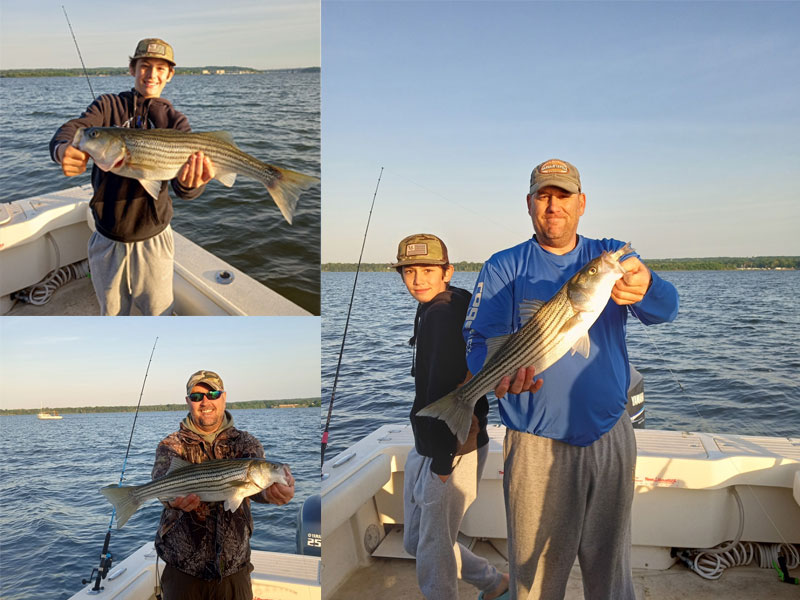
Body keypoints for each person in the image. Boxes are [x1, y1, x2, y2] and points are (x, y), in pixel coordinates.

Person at [464, 159, 679, 600]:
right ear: (529, 205)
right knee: (535, 576)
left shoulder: (610, 254)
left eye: (563, 196)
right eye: (544, 196)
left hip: (609, 429)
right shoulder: (504, 266)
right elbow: (477, 343)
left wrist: (647, 283)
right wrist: (489, 378)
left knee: (611, 568)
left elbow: (665, 310)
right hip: (535, 441)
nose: (553, 205)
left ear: (582, 203)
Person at [49, 38, 215, 316]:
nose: (152, 74)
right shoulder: (107, 106)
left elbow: (183, 189)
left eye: (161, 68)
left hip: (154, 238)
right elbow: (74, 129)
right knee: (112, 313)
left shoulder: (176, 121)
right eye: (145, 66)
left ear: (170, 75)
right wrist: (63, 150)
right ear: (132, 68)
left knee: (159, 312)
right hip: (106, 236)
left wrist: (191, 184)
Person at [393, 233, 510, 600]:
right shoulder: (442, 303)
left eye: (428, 270)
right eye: (409, 271)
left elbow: (446, 388)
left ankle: (486, 586)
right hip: (428, 442)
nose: (418, 280)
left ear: (447, 271)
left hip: (453, 446)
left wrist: (443, 459)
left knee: (433, 551)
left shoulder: (442, 314)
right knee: (418, 540)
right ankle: (495, 583)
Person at [152, 369, 296, 600]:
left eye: (213, 394)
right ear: (188, 401)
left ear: (224, 397)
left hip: (233, 569)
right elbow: (162, 485)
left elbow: (256, 491)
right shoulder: (172, 445)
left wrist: (272, 494)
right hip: (182, 570)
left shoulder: (246, 443)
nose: (205, 402)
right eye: (197, 397)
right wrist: (172, 501)